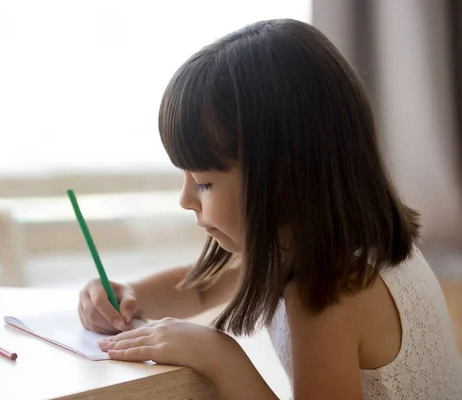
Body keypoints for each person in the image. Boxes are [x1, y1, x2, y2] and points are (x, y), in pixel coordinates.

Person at [77, 19, 462, 399]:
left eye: (205, 183)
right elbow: (198, 291)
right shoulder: (321, 246)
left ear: (283, 177)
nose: (186, 199)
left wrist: (220, 355)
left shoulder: (330, 288)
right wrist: (128, 295)